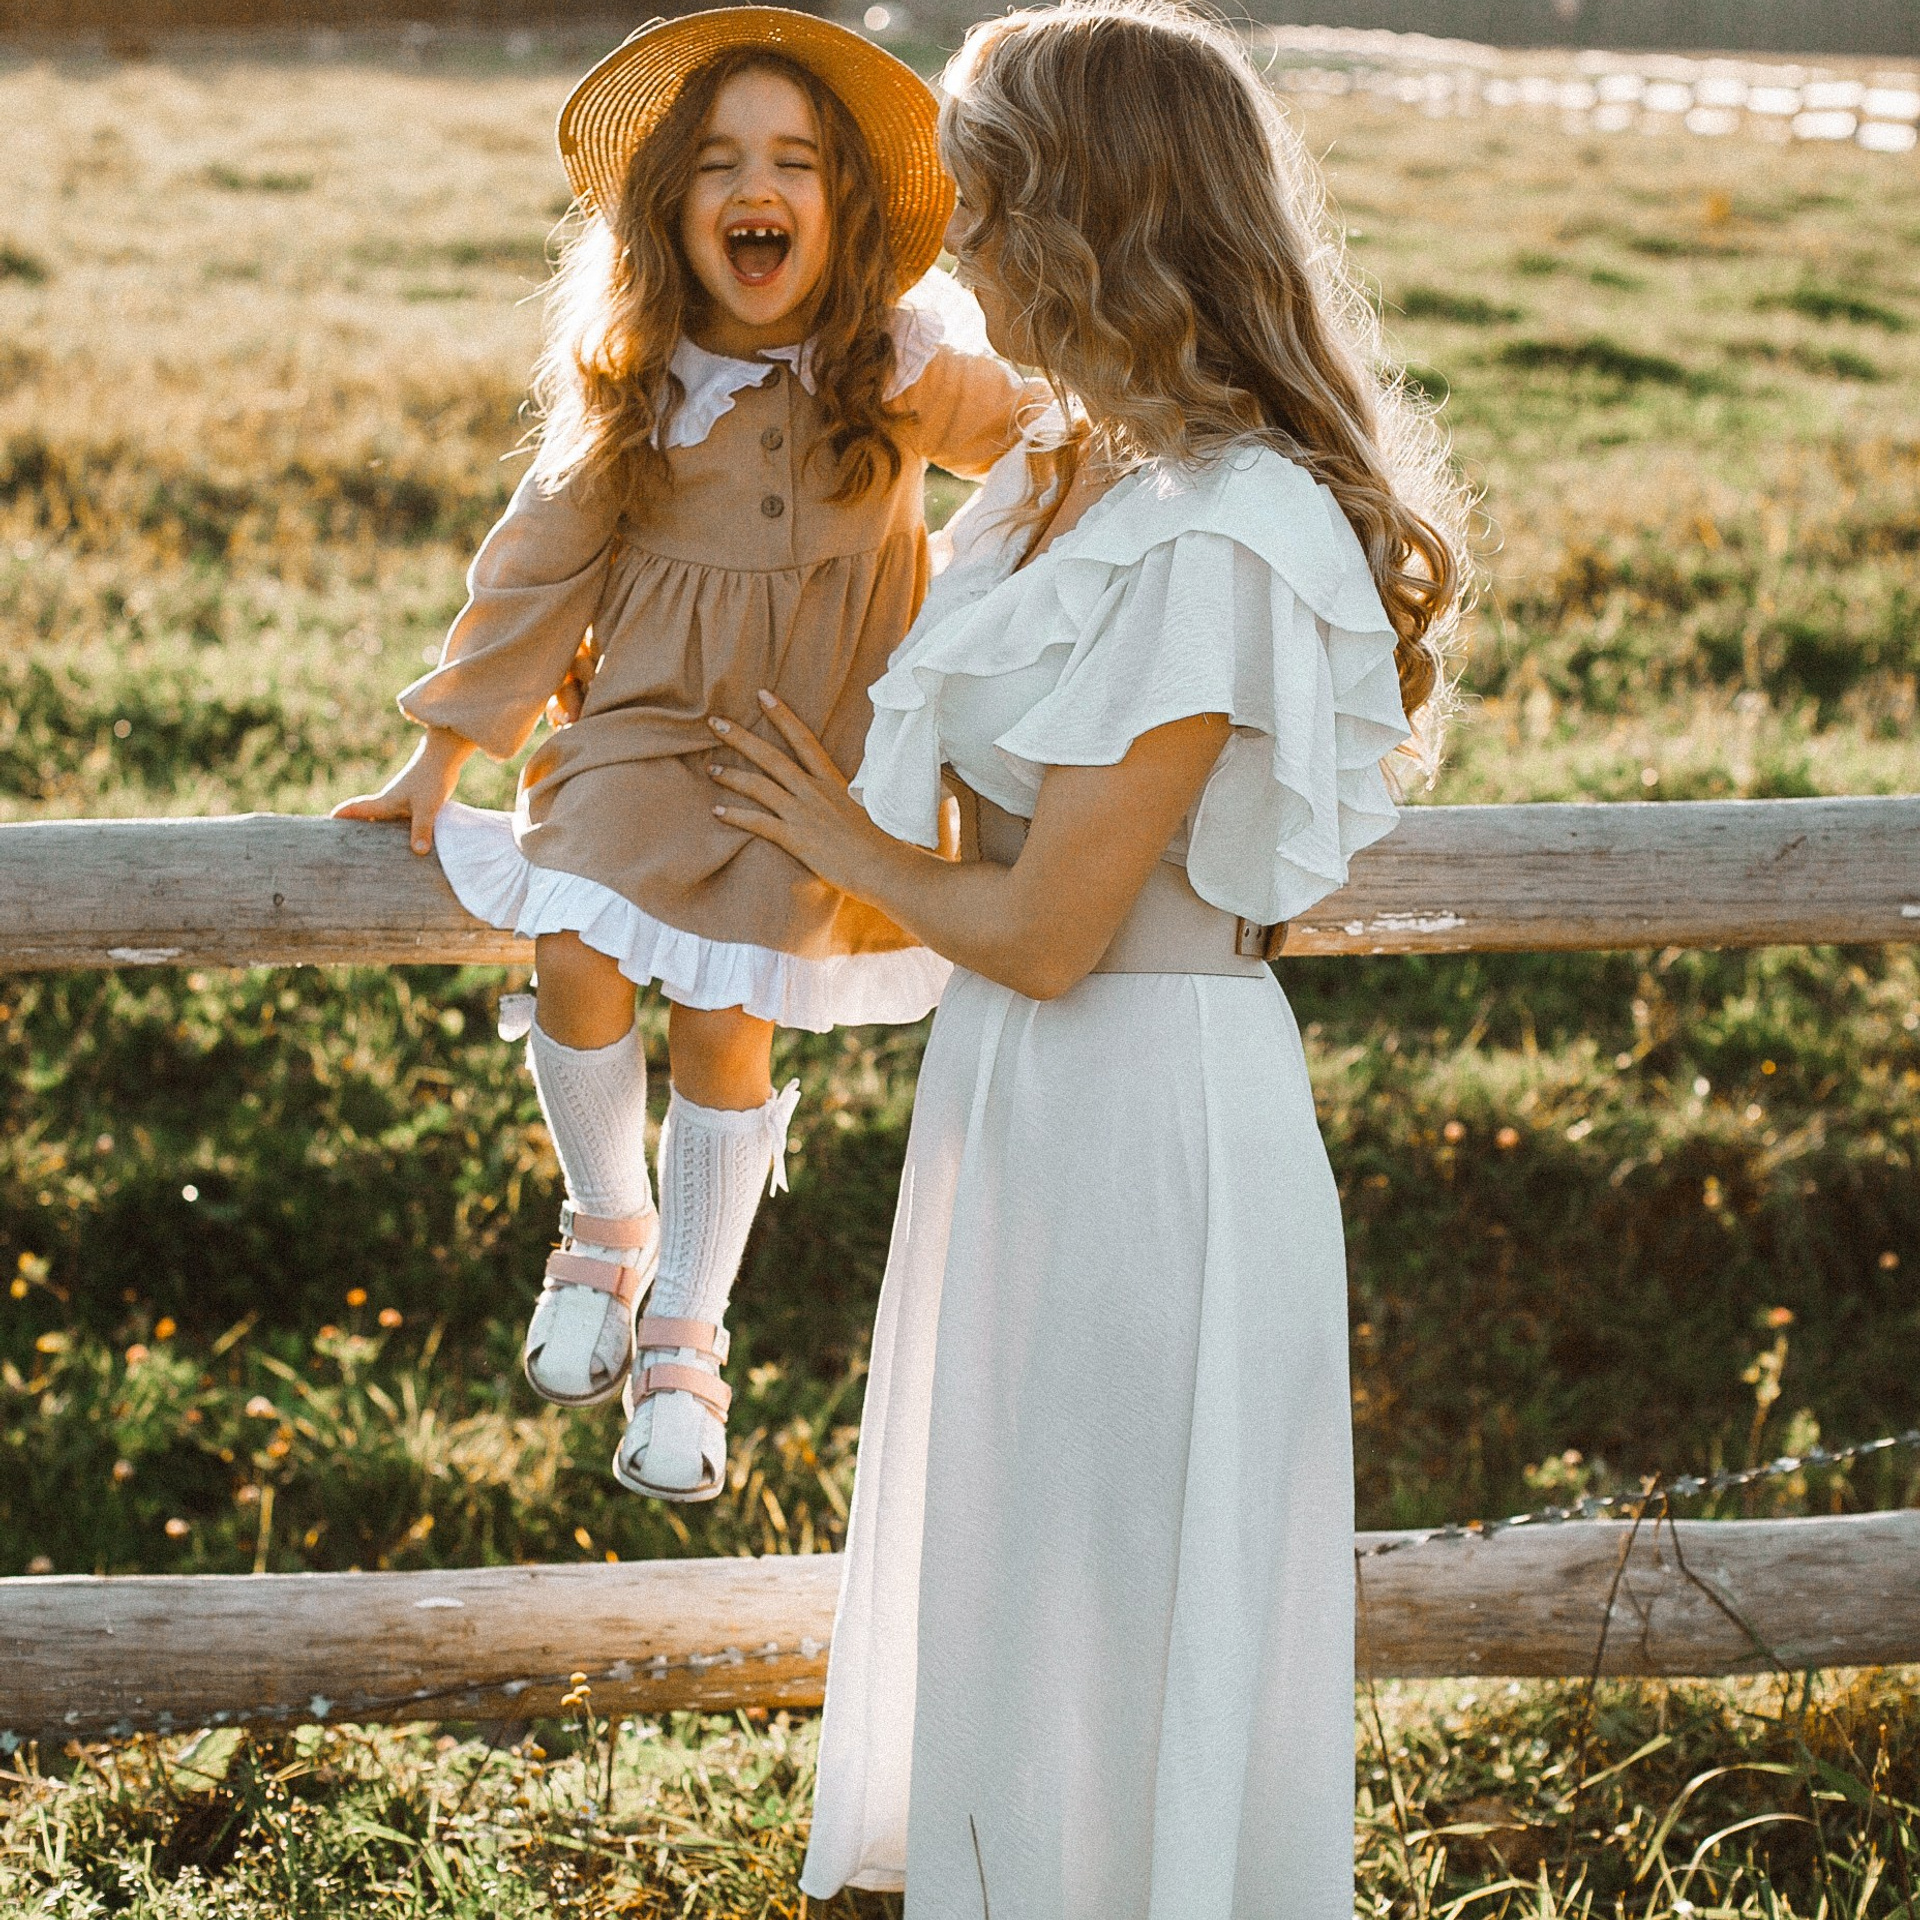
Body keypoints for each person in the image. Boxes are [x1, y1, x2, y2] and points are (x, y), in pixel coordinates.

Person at [697, 1, 1470, 1908]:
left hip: (1150, 1111)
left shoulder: (1233, 526)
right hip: (1017, 1100)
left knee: (1127, 1587)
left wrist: (836, 838)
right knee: (1018, 1572)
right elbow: (988, 835)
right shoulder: (1062, 477)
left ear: (1092, 223)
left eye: (983, 207)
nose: (953, 251)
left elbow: (1049, 930)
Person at [333, 8, 1035, 1502]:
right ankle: (607, 1225)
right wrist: (445, 751)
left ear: (840, 208)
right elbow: (536, 568)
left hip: (813, 759)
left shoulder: (899, 360)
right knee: (578, 942)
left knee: (727, 1019)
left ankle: (692, 1329)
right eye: (716, 164)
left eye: (790, 161)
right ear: (673, 212)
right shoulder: (640, 374)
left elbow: (1050, 433)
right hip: (641, 725)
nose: (751, 186)